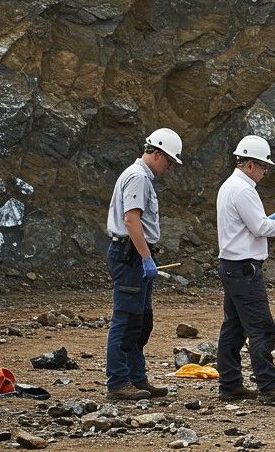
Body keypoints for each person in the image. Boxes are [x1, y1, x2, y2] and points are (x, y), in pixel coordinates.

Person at [215, 135, 275, 404]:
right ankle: (269, 386)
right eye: (264, 167)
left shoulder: (230, 186)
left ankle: (230, 384)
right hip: (244, 268)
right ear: (251, 165)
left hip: (232, 265)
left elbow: (252, 224)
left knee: (233, 327)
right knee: (262, 328)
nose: (266, 172)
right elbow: (260, 228)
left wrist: (272, 218)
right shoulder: (244, 189)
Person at [104, 127, 182, 401]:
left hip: (135, 253)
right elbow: (131, 220)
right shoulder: (138, 177)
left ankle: (136, 378)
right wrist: (146, 258)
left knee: (139, 320)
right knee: (126, 321)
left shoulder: (139, 176)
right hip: (131, 254)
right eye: (170, 161)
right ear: (158, 154)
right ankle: (119, 381)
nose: (169, 167)